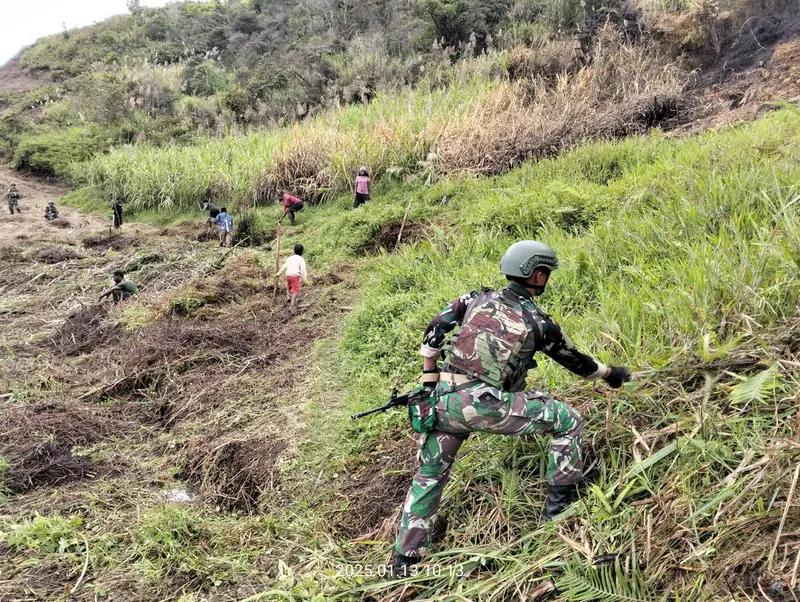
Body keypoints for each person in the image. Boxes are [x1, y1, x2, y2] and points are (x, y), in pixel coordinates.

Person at [392, 241, 631, 572]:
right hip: (485, 404)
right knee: (568, 420)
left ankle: (406, 559)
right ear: (536, 274)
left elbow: (434, 330)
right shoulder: (537, 322)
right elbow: (576, 362)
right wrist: (610, 374)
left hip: (442, 401)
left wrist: (429, 379)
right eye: (546, 272)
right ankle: (556, 513)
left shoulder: (474, 298)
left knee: (429, 476)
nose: (546, 278)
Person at [275, 243, 308, 309]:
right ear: (302, 251)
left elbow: (284, 267)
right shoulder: (301, 259)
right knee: (295, 291)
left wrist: (278, 274)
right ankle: (292, 306)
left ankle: (288, 296)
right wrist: (304, 279)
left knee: (288, 285)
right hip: (295, 276)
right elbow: (303, 270)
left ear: (294, 250)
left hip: (288, 275)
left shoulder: (289, 258)